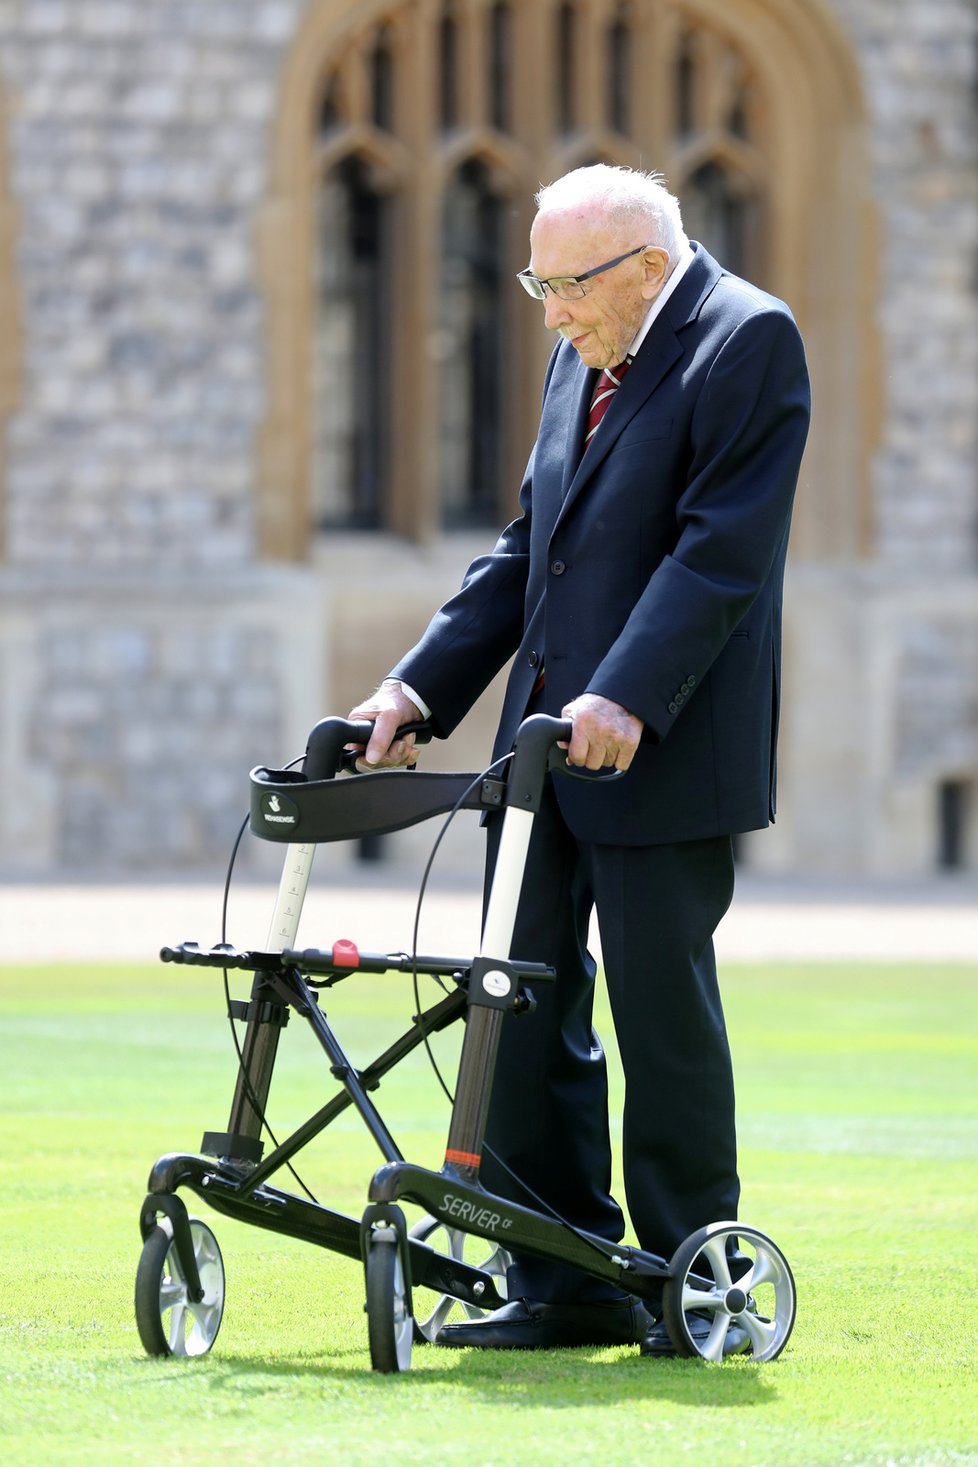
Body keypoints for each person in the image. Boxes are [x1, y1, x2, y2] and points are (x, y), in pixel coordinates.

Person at [348, 164, 810, 1357]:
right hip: (539, 748)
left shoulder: (749, 340)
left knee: (662, 1018)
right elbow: (528, 549)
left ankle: (683, 1276)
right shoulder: (586, 346)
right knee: (515, 1001)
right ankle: (558, 1275)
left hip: (661, 745)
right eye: (536, 282)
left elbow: (719, 555)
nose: (547, 311)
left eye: (564, 285)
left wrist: (628, 696)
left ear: (647, 268)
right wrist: (417, 687)